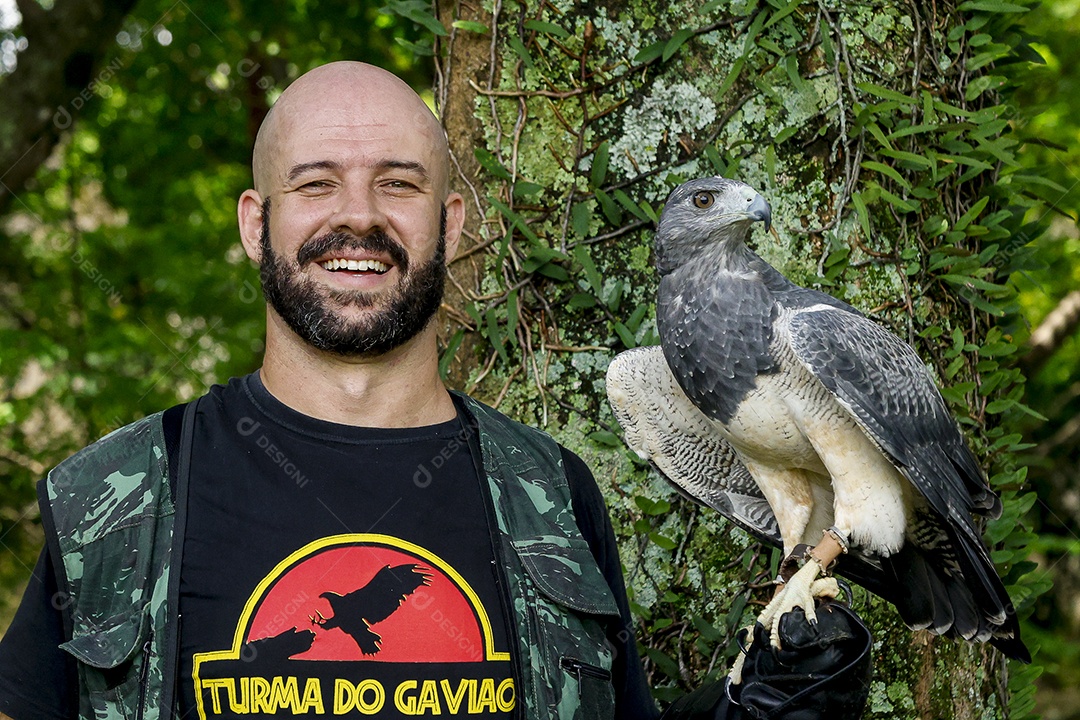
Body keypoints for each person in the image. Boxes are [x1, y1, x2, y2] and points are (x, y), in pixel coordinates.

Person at [0, 62, 869, 720]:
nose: (360, 216)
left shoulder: (551, 496)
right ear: (255, 225)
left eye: (399, 183)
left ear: (449, 224)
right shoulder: (119, 502)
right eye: (315, 183)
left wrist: (764, 708)